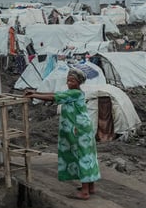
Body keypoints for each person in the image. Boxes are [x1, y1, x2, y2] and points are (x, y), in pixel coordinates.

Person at [24, 68, 100, 200]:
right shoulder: (73, 93)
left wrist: (34, 96)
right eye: (68, 80)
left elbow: (54, 97)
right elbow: (57, 93)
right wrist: (36, 92)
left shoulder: (75, 93)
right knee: (87, 155)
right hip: (82, 129)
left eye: (72, 80)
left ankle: (85, 192)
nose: (69, 82)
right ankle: (90, 187)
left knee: (81, 156)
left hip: (78, 130)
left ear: (79, 82)